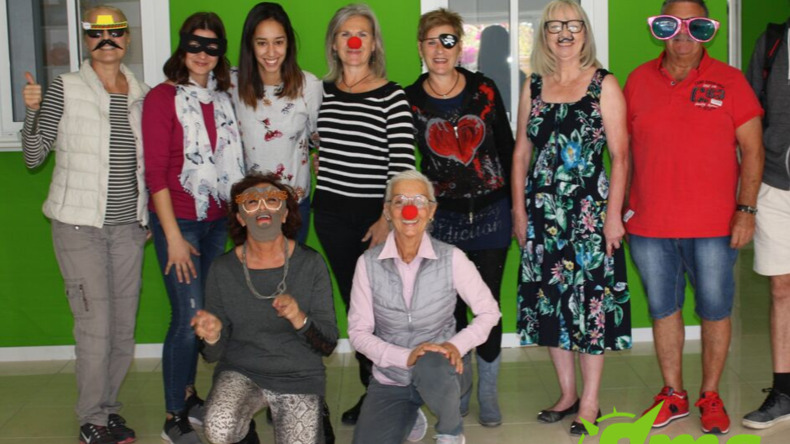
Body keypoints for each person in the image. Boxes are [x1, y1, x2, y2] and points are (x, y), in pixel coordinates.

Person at [624, 0, 764, 435]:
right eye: (672, 25)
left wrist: (746, 211)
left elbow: (753, 151)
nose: (683, 34)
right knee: (663, 309)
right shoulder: (637, 80)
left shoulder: (732, 81)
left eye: (695, 25)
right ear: (659, 29)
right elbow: (623, 153)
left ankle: (710, 394)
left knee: (715, 311)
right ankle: (673, 394)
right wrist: (619, 212)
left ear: (709, 30)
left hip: (714, 226)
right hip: (649, 224)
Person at [21, 5, 147, 444]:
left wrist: (147, 215)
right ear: (86, 39)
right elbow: (33, 157)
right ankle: (90, 418)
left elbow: (146, 165)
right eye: (96, 33)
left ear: (127, 38)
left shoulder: (142, 93)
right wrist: (32, 111)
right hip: (78, 228)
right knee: (95, 328)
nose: (106, 40)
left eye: (115, 32)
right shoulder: (65, 88)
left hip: (128, 230)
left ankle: (108, 410)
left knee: (122, 330)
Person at [511, 0, 631, 436]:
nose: (564, 32)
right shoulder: (533, 85)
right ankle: (567, 394)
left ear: (585, 32)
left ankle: (591, 401)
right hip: (543, 216)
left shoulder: (604, 84)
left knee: (589, 306)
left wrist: (613, 216)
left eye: (573, 24)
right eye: (554, 25)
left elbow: (620, 156)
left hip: (589, 217)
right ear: (544, 34)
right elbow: (521, 153)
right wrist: (518, 210)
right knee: (551, 303)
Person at [404, 8, 514, 427]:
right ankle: (460, 387)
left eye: (447, 40)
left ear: (459, 46)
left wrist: (516, 206)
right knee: (450, 311)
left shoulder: (484, 89)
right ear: (420, 47)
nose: (440, 49)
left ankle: (488, 392)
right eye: (431, 41)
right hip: (443, 220)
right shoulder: (409, 99)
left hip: (492, 212)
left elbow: (506, 147)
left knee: (487, 305)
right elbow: (404, 162)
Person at [142, 12, 245, 444]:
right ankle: (173, 415)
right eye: (194, 44)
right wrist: (173, 238)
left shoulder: (223, 99)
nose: (202, 54)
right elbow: (156, 174)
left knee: (206, 317)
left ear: (221, 52)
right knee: (187, 318)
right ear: (182, 47)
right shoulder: (161, 98)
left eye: (211, 46)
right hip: (180, 222)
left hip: (216, 222)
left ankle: (188, 396)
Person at [313, 3, 416, 425]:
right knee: (356, 310)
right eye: (345, 34)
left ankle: (393, 393)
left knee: (383, 310)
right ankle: (374, 391)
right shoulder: (320, 93)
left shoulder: (393, 95)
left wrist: (386, 220)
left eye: (362, 34)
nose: (354, 41)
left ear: (374, 44)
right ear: (334, 44)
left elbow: (403, 166)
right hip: (330, 216)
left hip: (375, 220)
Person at [348, 170, 501, 444]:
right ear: (387, 211)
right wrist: (404, 356)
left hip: (443, 371)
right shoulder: (367, 263)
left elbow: (489, 312)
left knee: (430, 361)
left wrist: (455, 346)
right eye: (400, 201)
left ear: (431, 211)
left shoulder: (452, 258)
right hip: (392, 377)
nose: (410, 209)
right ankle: (410, 411)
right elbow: (358, 333)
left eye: (419, 201)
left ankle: (450, 432)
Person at [192, 173, 338, 444]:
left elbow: (328, 343)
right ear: (240, 218)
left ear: (285, 214)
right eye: (251, 202)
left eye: (272, 200)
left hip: (298, 374)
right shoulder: (222, 269)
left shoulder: (310, 263)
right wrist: (211, 336)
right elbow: (212, 356)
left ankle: (317, 416)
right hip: (242, 370)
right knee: (219, 428)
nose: (262, 206)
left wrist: (298, 317)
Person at [231, 2, 322, 243]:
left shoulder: (308, 86)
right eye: (262, 43)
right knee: (250, 268)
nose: (271, 52)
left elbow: (322, 141)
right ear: (250, 45)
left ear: (288, 43)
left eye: (278, 42)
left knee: (291, 267)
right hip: (248, 206)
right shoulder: (232, 84)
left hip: (293, 206)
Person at [742, 15, 790, 430]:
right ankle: (784, 391)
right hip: (776, 184)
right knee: (781, 288)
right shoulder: (773, 41)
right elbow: (749, 113)